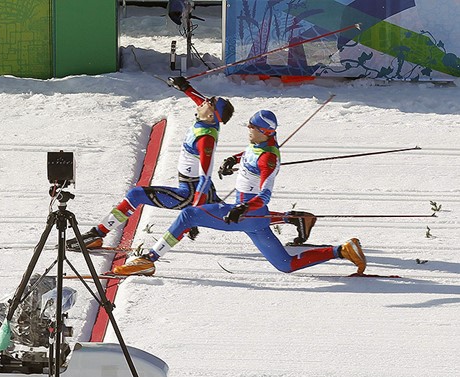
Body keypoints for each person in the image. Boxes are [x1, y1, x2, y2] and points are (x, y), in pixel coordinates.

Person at [113, 109, 367, 276]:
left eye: (252, 126)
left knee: (188, 215)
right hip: (255, 220)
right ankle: (342, 250)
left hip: (249, 213)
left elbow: (265, 193)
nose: (248, 129)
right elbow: (250, 153)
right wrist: (233, 160)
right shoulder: (259, 144)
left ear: (264, 131)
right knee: (286, 265)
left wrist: (243, 208)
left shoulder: (268, 157)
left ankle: (148, 259)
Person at [66, 76, 234, 251]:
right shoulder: (209, 118)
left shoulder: (205, 139)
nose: (205, 100)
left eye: (211, 102)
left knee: (136, 195)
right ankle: (261, 218)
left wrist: (195, 213)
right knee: (241, 216)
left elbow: (205, 177)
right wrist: (185, 87)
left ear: (211, 114)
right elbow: (201, 101)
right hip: (198, 188)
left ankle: (97, 235)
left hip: (191, 192)